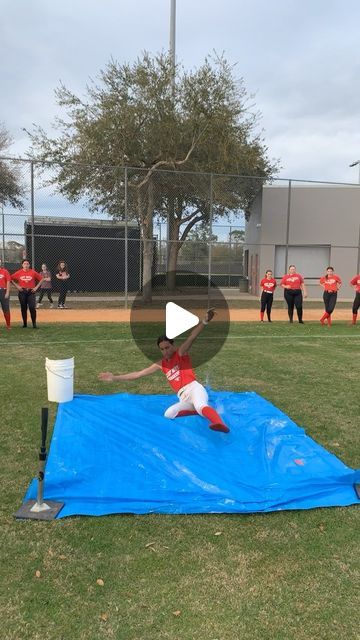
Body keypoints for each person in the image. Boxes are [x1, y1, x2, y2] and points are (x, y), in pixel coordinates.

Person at [99, 309, 230, 433]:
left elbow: (192, 336)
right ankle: (198, 410)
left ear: (173, 345)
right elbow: (139, 374)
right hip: (183, 397)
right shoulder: (161, 364)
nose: (165, 351)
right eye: (162, 349)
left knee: (201, 406)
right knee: (168, 414)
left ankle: (219, 423)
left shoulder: (180, 353)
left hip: (194, 389)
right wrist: (114, 377)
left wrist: (205, 321)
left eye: (167, 347)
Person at [10, 259, 43, 328]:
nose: (26, 265)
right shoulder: (19, 272)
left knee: (32, 308)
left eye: (27, 264)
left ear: (29, 265)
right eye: (24, 264)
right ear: (22, 265)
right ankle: (25, 324)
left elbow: (41, 279)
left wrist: (36, 287)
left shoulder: (33, 272)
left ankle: (34, 324)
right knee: (23, 308)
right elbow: (10, 278)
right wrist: (17, 286)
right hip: (22, 291)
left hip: (31, 292)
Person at [0, 258, 11, 330]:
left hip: (3, 291)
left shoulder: (5, 271)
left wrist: (7, 292)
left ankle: (8, 325)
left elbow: (8, 281)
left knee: (6, 308)